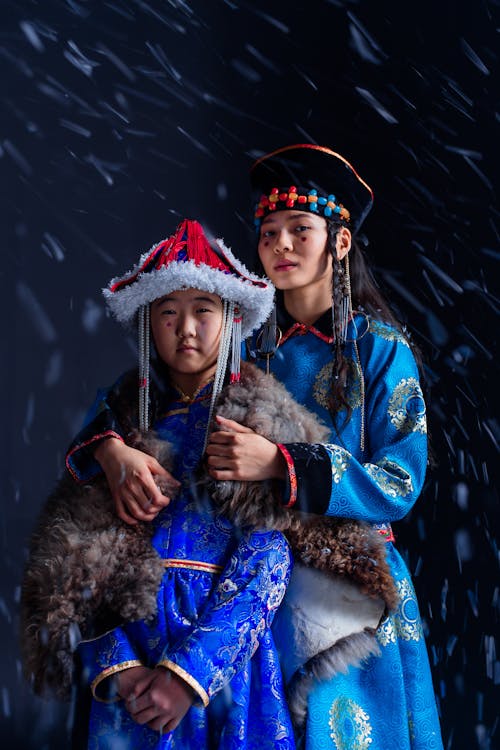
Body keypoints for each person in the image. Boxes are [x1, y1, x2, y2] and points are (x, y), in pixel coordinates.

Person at [57, 146, 444, 749]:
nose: (282, 246)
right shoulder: (242, 340)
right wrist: (112, 451)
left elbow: (399, 480)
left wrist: (282, 464)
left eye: (300, 231)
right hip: (245, 583)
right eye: (269, 233)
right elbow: (140, 395)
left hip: (343, 581)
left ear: (340, 244)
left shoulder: (379, 349)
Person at [21, 218, 297, 749]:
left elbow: (271, 552)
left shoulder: (264, 427)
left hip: (224, 663)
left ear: (233, 318)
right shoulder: (119, 426)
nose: (186, 329)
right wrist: (120, 665)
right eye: (168, 313)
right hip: (133, 640)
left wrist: (187, 674)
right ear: (148, 324)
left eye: (203, 311)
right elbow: (82, 554)